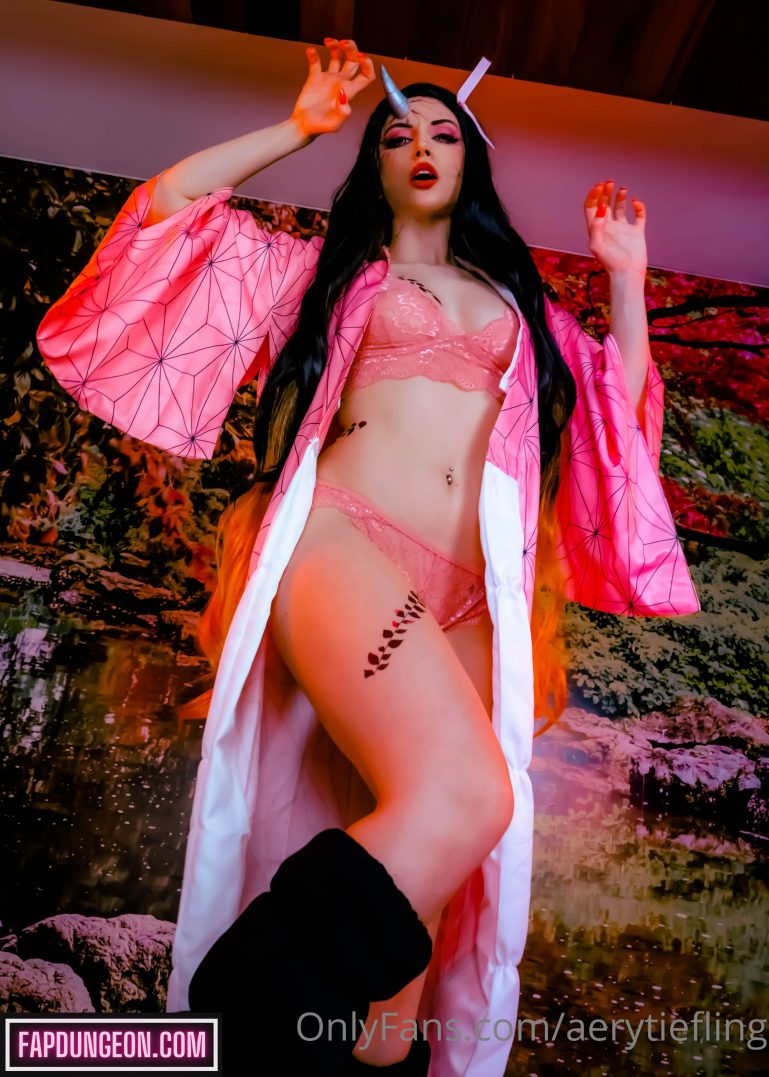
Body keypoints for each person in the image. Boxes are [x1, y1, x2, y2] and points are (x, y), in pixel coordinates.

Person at [36, 37, 700, 1076]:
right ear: (374, 163)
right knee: (465, 797)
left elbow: (616, 418)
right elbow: (169, 207)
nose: (421, 146)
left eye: (444, 132)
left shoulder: (527, 310)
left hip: (473, 595)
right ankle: (239, 1011)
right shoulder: (324, 274)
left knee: (402, 984)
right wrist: (294, 128)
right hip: (344, 540)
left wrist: (626, 280)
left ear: (471, 159)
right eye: (396, 134)